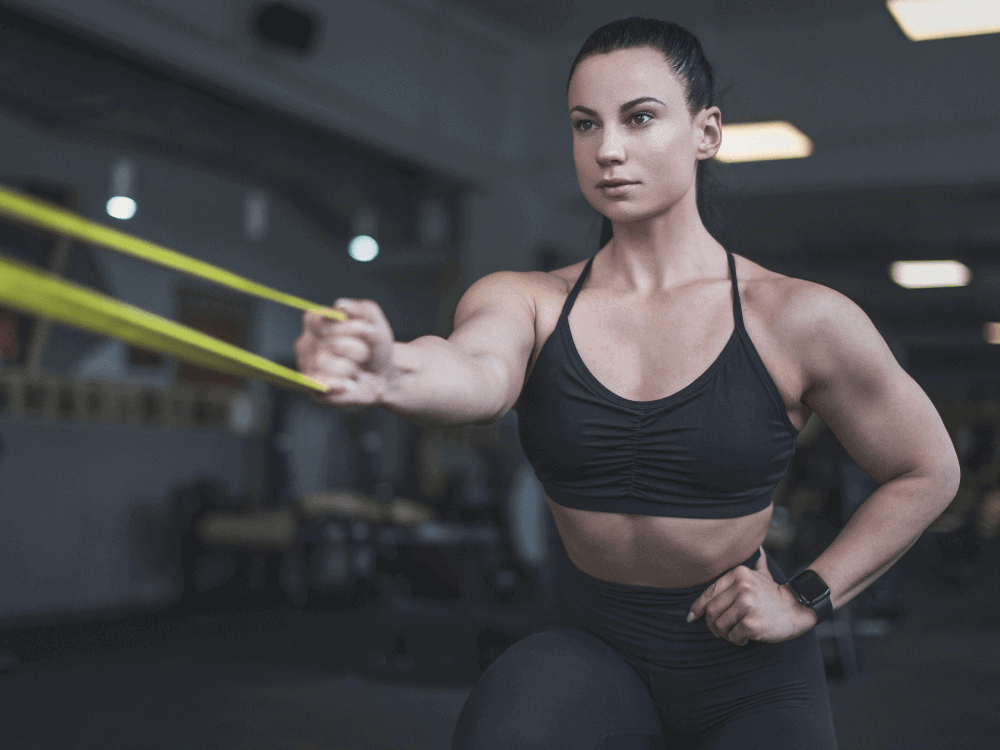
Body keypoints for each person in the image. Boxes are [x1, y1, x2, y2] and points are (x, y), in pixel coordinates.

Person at [295, 17, 960, 749]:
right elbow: (477, 370)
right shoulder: (528, 299)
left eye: (639, 118)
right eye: (586, 125)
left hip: (747, 668)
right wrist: (392, 368)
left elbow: (925, 469)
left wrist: (806, 597)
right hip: (591, 646)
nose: (607, 150)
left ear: (706, 132)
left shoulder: (797, 317)